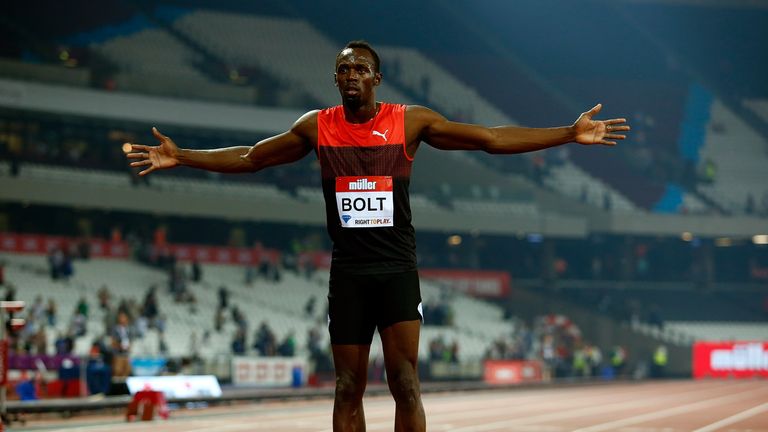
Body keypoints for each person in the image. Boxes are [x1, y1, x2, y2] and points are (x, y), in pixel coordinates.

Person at [125, 40, 630, 432]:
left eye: (359, 68)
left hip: (396, 271)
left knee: (405, 383)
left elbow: (492, 139)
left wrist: (568, 132)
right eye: (342, 68)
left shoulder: (409, 123)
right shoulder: (316, 127)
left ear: (377, 78)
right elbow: (253, 157)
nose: (349, 75)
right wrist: (183, 156)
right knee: (347, 387)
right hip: (348, 274)